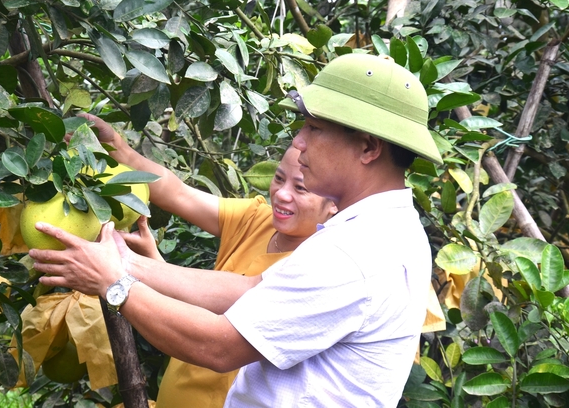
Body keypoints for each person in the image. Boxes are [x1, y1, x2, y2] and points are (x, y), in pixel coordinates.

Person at [29, 52, 444, 406]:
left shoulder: (354, 254)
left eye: (314, 129)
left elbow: (219, 345)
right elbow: (251, 291)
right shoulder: (387, 227)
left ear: (369, 147)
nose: (299, 144)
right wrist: (124, 262)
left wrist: (114, 284)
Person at [79, 113, 338, 407]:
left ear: (333, 204)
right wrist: (118, 149)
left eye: (301, 188)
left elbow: (220, 338)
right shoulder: (254, 218)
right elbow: (178, 195)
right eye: (279, 179)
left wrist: (124, 268)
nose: (282, 194)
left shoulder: (319, 265)